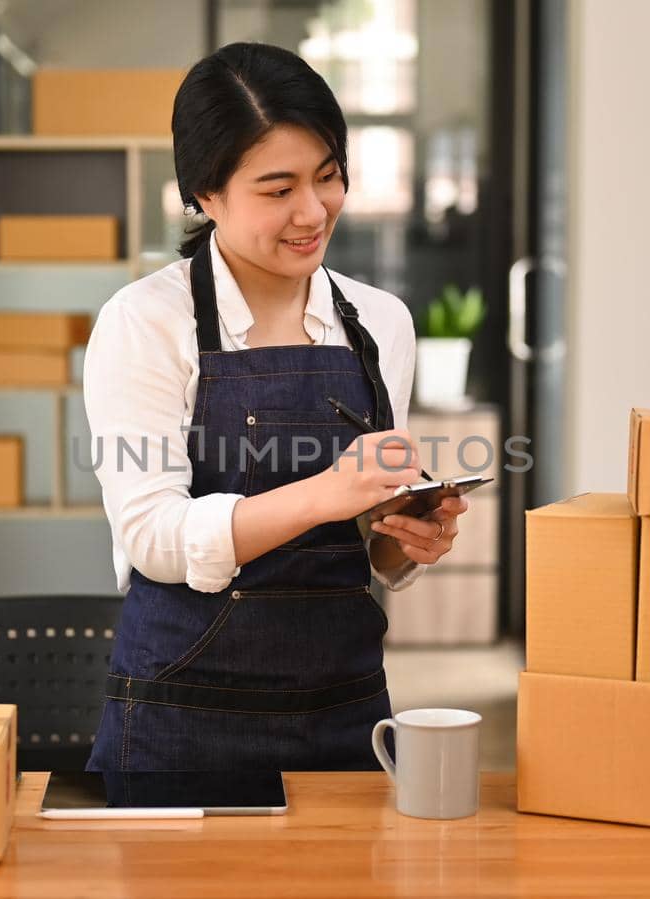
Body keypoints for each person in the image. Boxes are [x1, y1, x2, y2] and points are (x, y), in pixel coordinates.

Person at [83, 42, 469, 771]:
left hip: (347, 714)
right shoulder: (145, 323)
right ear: (204, 192)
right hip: (180, 718)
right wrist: (324, 492)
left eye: (328, 176)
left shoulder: (381, 321)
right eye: (277, 188)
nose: (312, 210)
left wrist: (405, 537)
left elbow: (367, 538)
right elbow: (154, 538)